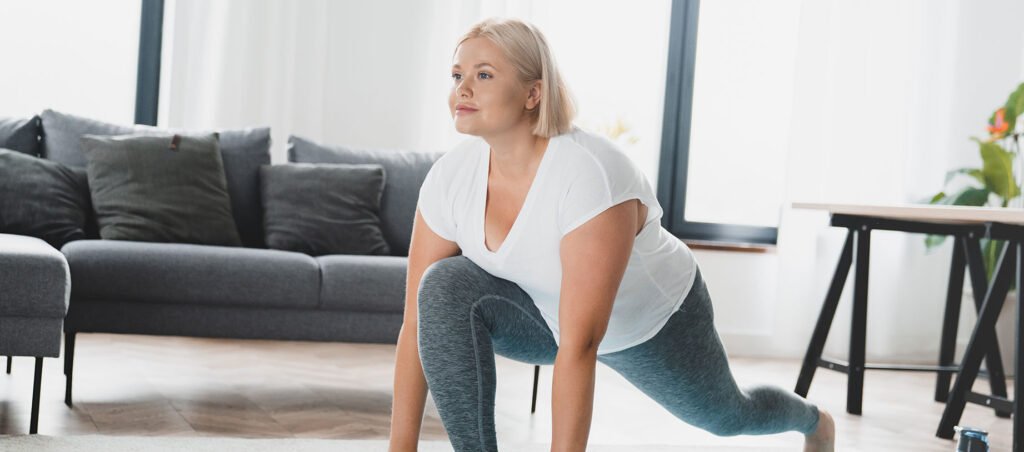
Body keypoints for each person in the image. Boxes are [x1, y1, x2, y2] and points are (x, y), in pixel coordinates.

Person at [387, 17, 835, 452]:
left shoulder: (589, 176)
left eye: (483, 74)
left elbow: (581, 344)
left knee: (728, 415)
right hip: (543, 318)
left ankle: (814, 421)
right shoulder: (449, 178)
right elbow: (416, 326)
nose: (462, 88)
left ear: (532, 93)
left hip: (651, 322)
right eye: (457, 74)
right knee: (443, 289)